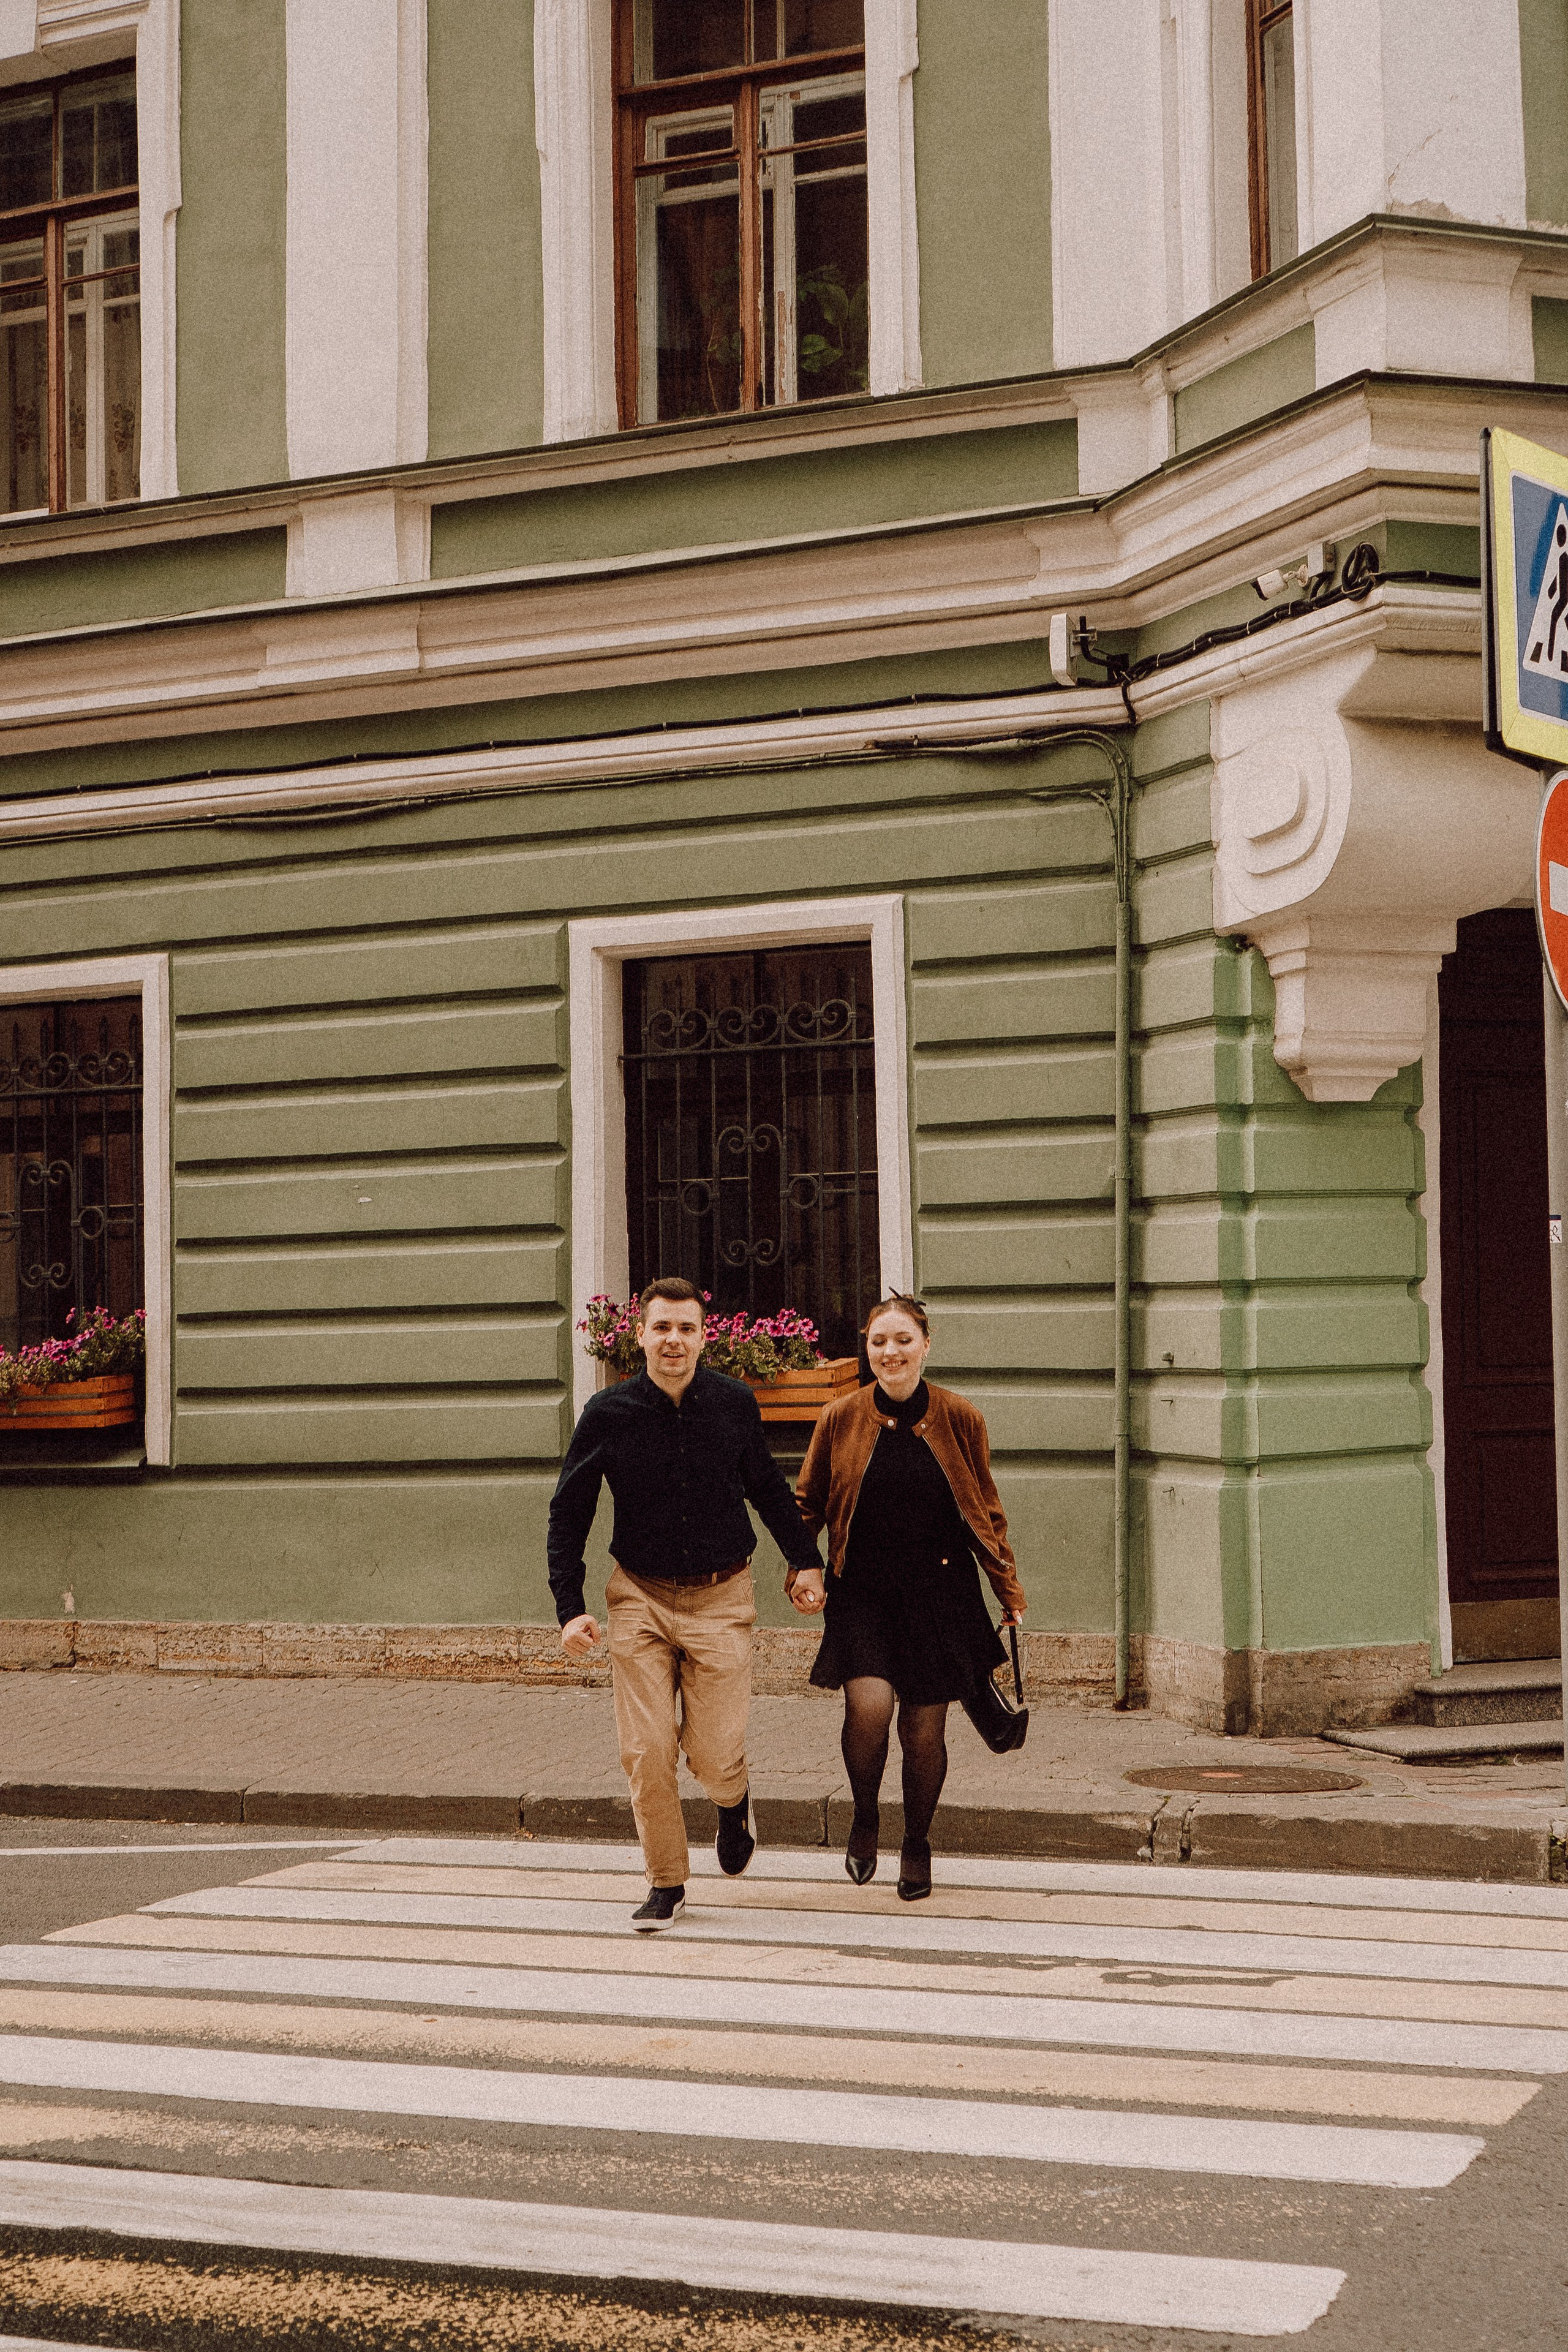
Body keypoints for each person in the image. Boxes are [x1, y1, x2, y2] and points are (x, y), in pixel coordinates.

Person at [548, 1276, 826, 1931]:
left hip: (721, 1597)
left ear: (704, 1338)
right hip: (639, 1597)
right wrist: (570, 1607)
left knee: (714, 1750)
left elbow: (766, 1486)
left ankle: (732, 1800)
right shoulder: (608, 1413)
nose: (673, 1340)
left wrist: (805, 1560)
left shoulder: (733, 1402)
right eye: (662, 1328)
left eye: (686, 1328)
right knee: (646, 1750)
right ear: (640, 1336)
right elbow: (569, 1510)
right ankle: (666, 1881)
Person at [787, 1294, 1025, 1901]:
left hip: (940, 1593)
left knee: (923, 1728)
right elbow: (806, 1503)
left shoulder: (960, 1417)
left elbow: (986, 1511)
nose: (890, 1352)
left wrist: (1007, 1589)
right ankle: (866, 1814)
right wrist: (802, 1569)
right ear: (866, 1350)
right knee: (869, 1708)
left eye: (902, 1340)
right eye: (878, 1342)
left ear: (925, 1345)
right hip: (861, 1590)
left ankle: (917, 1841)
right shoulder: (839, 1416)